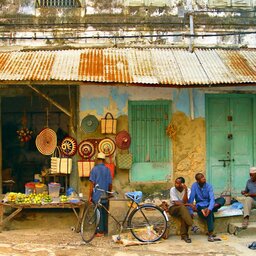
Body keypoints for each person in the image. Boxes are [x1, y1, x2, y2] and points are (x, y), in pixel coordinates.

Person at [188, 172, 224, 242]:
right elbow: (191, 200)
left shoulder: (208, 186)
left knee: (222, 200)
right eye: (202, 178)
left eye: (203, 177)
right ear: (198, 181)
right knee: (209, 213)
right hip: (200, 206)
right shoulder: (194, 186)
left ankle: (208, 209)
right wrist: (190, 211)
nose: (204, 178)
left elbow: (212, 199)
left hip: (209, 204)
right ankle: (210, 234)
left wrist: (210, 208)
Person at [89, 152, 112, 237]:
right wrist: (109, 193)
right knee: (105, 213)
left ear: (98, 160)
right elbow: (110, 184)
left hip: (97, 195)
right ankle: (105, 230)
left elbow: (92, 184)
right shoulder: (107, 169)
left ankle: (100, 231)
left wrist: (90, 196)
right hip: (105, 194)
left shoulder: (94, 169)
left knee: (98, 213)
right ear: (104, 160)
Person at [169, 177, 197, 243]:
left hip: (182, 209)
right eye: (175, 183)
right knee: (183, 208)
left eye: (178, 183)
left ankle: (184, 236)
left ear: (182, 184)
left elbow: (185, 201)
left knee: (185, 213)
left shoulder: (188, 190)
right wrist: (189, 205)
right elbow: (176, 203)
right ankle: (192, 225)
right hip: (173, 209)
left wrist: (186, 191)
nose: (176, 185)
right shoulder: (172, 189)